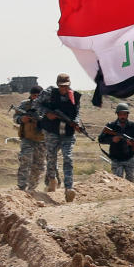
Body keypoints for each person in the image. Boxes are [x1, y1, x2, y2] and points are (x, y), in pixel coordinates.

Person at [39, 73, 83, 202]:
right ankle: (52, 179)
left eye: (66, 86)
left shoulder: (74, 96)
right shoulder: (48, 93)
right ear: (57, 85)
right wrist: (47, 113)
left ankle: (69, 188)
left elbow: (77, 113)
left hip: (67, 133)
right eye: (61, 86)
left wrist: (76, 123)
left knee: (68, 158)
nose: (64, 89)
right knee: (51, 157)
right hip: (52, 131)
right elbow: (36, 105)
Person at [12, 86, 47, 191]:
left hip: (42, 140)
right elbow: (15, 118)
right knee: (25, 160)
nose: (35, 97)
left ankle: (32, 188)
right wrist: (21, 119)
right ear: (31, 95)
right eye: (34, 95)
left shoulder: (46, 106)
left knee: (39, 165)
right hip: (27, 138)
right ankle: (22, 186)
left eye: (38, 95)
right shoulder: (25, 105)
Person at [98, 102, 134, 182]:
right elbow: (101, 139)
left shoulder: (133, 126)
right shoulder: (110, 126)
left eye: (124, 114)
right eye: (120, 114)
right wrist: (112, 139)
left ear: (127, 114)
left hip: (130, 158)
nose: (122, 116)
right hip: (116, 159)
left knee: (131, 181)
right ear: (117, 114)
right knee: (118, 182)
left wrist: (132, 143)